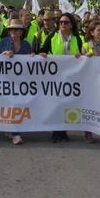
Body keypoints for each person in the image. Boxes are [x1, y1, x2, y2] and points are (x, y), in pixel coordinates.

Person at [39, 12, 83, 143]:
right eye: (61, 22)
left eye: (66, 22)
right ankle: (56, 132)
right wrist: (42, 55)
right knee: (56, 104)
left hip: (71, 76)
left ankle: (63, 131)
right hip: (55, 77)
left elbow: (83, 55)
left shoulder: (77, 38)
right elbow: (42, 51)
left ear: (71, 25)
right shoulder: (53, 36)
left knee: (67, 104)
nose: (62, 24)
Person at [0, 19, 32, 145]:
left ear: (21, 32)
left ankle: (14, 131)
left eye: (16, 29)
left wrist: (36, 57)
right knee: (10, 104)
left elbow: (31, 58)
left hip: (21, 81)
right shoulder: (4, 42)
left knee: (18, 104)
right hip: (5, 79)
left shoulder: (26, 44)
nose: (13, 31)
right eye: (11, 29)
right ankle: (14, 132)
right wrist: (4, 53)